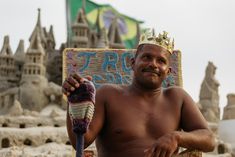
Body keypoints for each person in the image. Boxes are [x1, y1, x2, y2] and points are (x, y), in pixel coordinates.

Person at [62, 28, 215, 157]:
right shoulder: (108, 95)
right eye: (147, 57)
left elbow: (209, 140)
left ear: (168, 72)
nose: (153, 64)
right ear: (133, 63)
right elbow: (79, 142)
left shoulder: (177, 98)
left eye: (161, 61)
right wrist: (74, 99)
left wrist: (177, 137)